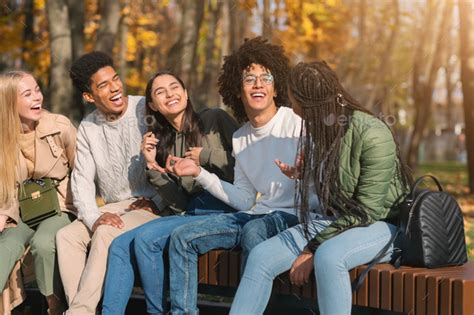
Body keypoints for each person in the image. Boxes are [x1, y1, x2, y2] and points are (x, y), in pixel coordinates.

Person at [229, 61, 411, 315]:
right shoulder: (324, 129)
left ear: (310, 102)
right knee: (260, 257)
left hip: (382, 224)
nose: (292, 108)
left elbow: (367, 211)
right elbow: (341, 186)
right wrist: (308, 174)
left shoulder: (372, 133)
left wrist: (312, 248)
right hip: (337, 222)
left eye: (295, 101)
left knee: (328, 257)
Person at [166, 37, 319, 314]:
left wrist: (305, 174)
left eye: (266, 78)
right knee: (181, 237)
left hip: (295, 218)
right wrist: (200, 173)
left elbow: (323, 187)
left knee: (254, 231)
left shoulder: (297, 124)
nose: (258, 84)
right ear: (238, 90)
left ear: (275, 88)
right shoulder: (240, 138)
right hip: (258, 215)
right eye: (250, 79)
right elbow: (246, 199)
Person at [101, 71, 238, 314]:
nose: (170, 94)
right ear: (153, 105)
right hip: (193, 214)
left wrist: (206, 156)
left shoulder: (214, 119)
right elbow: (180, 204)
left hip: (227, 210)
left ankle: (156, 312)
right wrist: (153, 167)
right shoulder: (168, 144)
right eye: (160, 92)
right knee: (120, 246)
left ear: (185, 93)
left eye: (175, 87)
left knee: (146, 239)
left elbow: (248, 161)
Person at [55, 52, 163, 315]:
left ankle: (79, 312)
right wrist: (92, 217)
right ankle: (81, 309)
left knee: (104, 233)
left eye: (115, 79)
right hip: (116, 208)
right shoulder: (89, 127)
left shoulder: (145, 110)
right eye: (103, 85)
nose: (115, 87)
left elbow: (169, 159)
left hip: (151, 206)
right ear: (89, 97)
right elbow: (81, 180)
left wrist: (158, 199)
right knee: (66, 236)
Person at [0, 71, 76, 315]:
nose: (37, 98)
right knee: (7, 245)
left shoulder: (59, 126)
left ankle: (54, 306)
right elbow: (4, 184)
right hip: (20, 210)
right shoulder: (2, 138)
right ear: (9, 101)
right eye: (27, 93)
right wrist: (2, 215)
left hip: (60, 204)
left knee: (43, 243)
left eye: (37, 90)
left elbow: (82, 171)